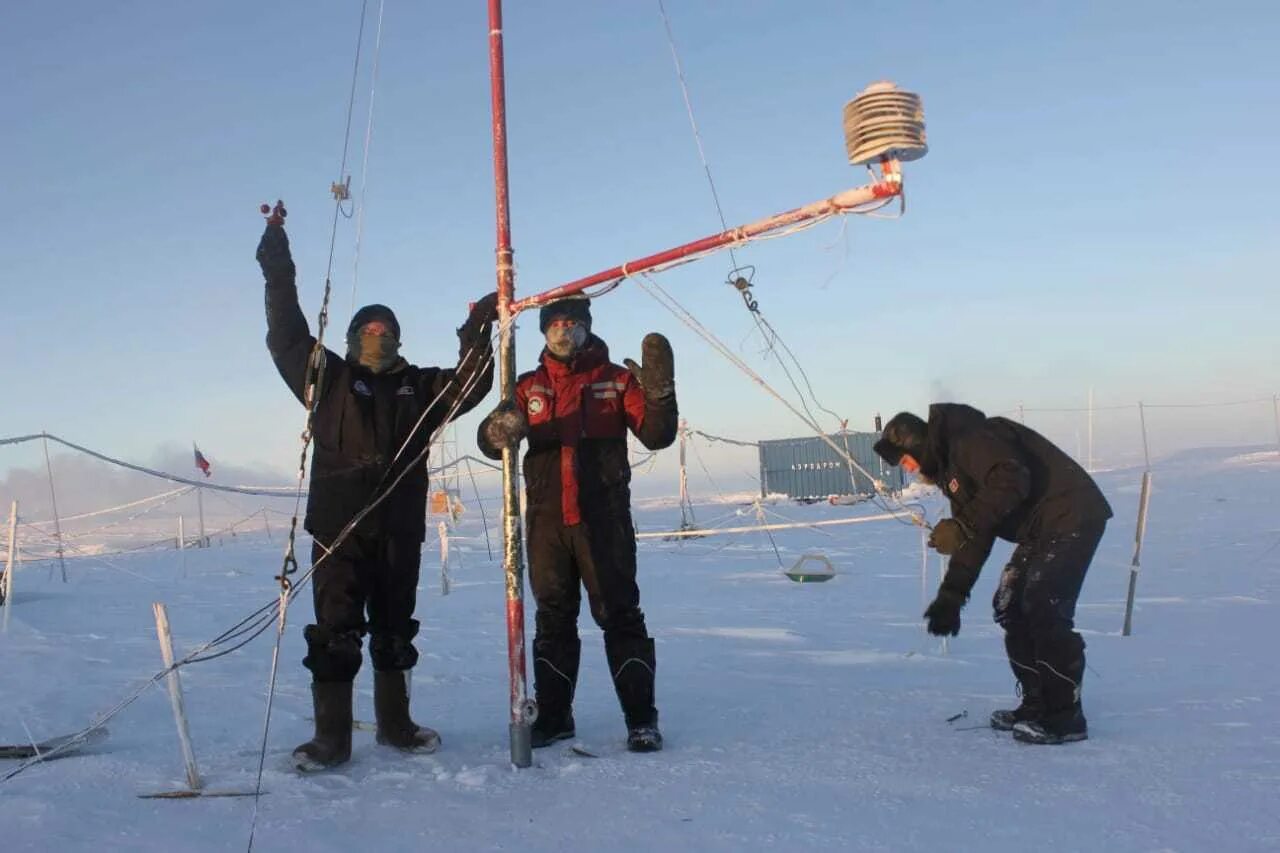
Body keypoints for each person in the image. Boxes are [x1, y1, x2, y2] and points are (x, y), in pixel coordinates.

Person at [257, 213, 497, 770]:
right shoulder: (329, 380)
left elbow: (471, 384)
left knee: (394, 630)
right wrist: (278, 264)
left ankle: (396, 726)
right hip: (341, 530)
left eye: (387, 330)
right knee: (336, 632)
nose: (378, 336)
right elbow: (286, 333)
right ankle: (331, 740)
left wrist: (476, 332)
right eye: (368, 330)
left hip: (400, 529)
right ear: (350, 338)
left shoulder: (421, 386)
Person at [477, 296, 678, 752]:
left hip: (603, 521)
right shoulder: (527, 386)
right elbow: (491, 440)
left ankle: (641, 719)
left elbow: (656, 435)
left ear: (588, 328)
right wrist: (495, 431)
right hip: (548, 525)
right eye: (556, 326)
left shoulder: (616, 381)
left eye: (573, 325)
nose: (565, 333)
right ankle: (553, 718)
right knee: (553, 619)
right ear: (544, 334)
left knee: (620, 616)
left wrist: (661, 395)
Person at [873, 404, 1112, 744]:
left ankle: (1065, 716)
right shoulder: (951, 473)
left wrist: (962, 524)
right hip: (1041, 528)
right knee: (1010, 605)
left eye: (906, 460)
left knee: (1043, 606)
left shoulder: (971, 438)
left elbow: (1012, 477)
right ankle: (1036, 703)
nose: (909, 470)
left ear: (918, 446)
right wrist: (951, 596)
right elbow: (975, 535)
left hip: (1070, 513)